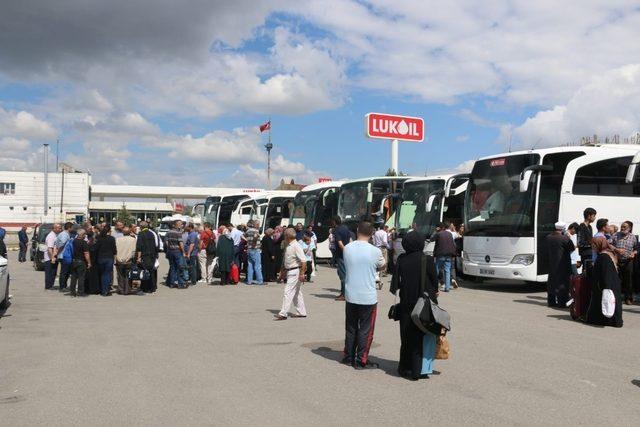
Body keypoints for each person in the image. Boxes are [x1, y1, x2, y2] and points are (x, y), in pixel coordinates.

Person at [391, 230, 439, 380]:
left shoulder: (402, 259)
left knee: (406, 336)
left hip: (406, 303)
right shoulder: (427, 259)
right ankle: (420, 370)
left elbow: (395, 285)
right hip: (424, 304)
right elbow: (435, 282)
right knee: (422, 335)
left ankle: (405, 368)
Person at [341, 221, 385, 369]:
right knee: (366, 329)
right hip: (368, 296)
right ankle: (361, 359)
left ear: (357, 230)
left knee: (351, 327)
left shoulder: (347, 248)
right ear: (372, 233)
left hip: (351, 294)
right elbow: (382, 265)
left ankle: (348, 356)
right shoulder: (375, 251)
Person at [586, 237, 623, 327]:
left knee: (606, 302)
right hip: (609, 284)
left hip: (605, 285)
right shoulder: (607, 254)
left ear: (598, 244)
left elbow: (606, 272)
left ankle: (607, 321)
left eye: (593, 245)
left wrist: (606, 287)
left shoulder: (604, 256)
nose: (592, 247)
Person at [274, 228, 307, 320]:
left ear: (287, 236)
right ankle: (301, 312)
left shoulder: (296, 246)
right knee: (297, 293)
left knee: (287, 292)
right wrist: (282, 273)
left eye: (284, 235)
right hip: (291, 271)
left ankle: (283, 313)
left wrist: (302, 273)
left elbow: (303, 260)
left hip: (295, 271)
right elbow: (286, 261)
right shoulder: (288, 245)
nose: (283, 236)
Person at [545, 222, 575, 307]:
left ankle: (551, 301)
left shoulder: (548, 237)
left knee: (552, 281)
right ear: (563, 229)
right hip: (563, 263)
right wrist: (569, 238)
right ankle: (562, 302)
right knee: (563, 282)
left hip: (552, 262)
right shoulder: (564, 238)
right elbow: (572, 248)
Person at [611, 221, 637, 305]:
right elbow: (609, 245)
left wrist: (634, 253)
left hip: (628, 261)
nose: (622, 228)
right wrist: (616, 250)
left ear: (629, 228)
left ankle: (628, 298)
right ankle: (617, 298)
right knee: (617, 280)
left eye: (624, 227)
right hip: (617, 260)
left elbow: (636, 248)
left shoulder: (633, 237)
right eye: (621, 226)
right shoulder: (615, 235)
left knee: (628, 280)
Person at [431, 222, 457, 292]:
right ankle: (447, 288)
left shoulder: (438, 234)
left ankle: (434, 286)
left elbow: (431, 239)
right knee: (447, 270)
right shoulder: (449, 234)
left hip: (440, 255)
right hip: (449, 255)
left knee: (436, 270)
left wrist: (435, 231)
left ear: (439, 227)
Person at [135, 221, 160, 293]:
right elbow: (156, 245)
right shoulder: (152, 233)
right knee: (151, 271)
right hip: (152, 255)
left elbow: (139, 247)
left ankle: (145, 288)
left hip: (144, 255)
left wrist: (139, 257)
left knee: (144, 271)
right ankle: (152, 287)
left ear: (141, 227)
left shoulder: (141, 234)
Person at [332, 216, 352, 301]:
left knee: (343, 275)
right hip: (347, 254)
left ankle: (344, 295)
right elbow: (350, 240)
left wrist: (345, 252)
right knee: (344, 274)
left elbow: (340, 244)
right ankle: (343, 292)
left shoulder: (336, 230)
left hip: (341, 255)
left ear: (334, 222)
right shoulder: (345, 228)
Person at [95, 226, 117, 296]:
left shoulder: (99, 238)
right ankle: (106, 290)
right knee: (107, 274)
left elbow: (96, 248)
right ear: (109, 231)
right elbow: (114, 250)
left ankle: (102, 289)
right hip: (109, 258)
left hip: (100, 257)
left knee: (102, 274)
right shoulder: (112, 238)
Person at [69, 229, 91, 297]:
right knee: (81, 277)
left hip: (73, 261)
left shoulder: (73, 241)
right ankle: (80, 292)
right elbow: (86, 253)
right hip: (81, 262)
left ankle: (72, 292)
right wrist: (89, 262)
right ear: (83, 235)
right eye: (85, 234)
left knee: (73, 277)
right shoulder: (84, 243)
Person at [115, 226, 137, 294]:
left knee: (120, 275)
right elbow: (134, 251)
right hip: (129, 260)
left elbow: (115, 250)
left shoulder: (117, 239)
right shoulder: (133, 240)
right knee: (128, 275)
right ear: (130, 232)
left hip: (119, 259)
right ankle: (127, 290)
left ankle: (121, 289)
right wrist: (133, 259)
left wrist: (116, 258)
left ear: (122, 233)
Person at [165, 220, 186, 289]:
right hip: (177, 251)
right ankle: (180, 284)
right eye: (180, 224)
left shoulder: (168, 233)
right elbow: (181, 243)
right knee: (180, 268)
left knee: (172, 267)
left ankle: (171, 284)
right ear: (176, 225)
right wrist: (183, 252)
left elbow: (166, 242)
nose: (181, 225)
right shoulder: (178, 233)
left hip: (170, 251)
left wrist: (170, 248)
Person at [54, 222, 74, 291]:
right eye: (72, 227)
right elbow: (62, 244)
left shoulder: (65, 234)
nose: (73, 229)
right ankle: (62, 287)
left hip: (65, 255)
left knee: (66, 272)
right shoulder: (64, 234)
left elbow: (57, 242)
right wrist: (58, 251)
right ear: (69, 228)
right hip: (63, 255)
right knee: (64, 272)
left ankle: (64, 285)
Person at [244, 220, 264, 285]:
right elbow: (255, 237)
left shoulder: (248, 231)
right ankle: (260, 280)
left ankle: (249, 281)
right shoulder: (256, 231)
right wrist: (253, 244)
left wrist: (248, 242)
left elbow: (242, 236)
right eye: (258, 224)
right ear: (256, 225)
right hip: (255, 249)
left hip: (249, 249)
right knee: (257, 265)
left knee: (250, 265)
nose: (259, 226)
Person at [44, 223, 61, 290]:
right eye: (59, 228)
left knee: (53, 272)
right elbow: (49, 248)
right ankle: (48, 286)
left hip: (54, 256)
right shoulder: (51, 236)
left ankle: (51, 285)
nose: (60, 229)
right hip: (49, 258)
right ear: (54, 228)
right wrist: (52, 258)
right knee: (49, 272)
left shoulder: (56, 235)